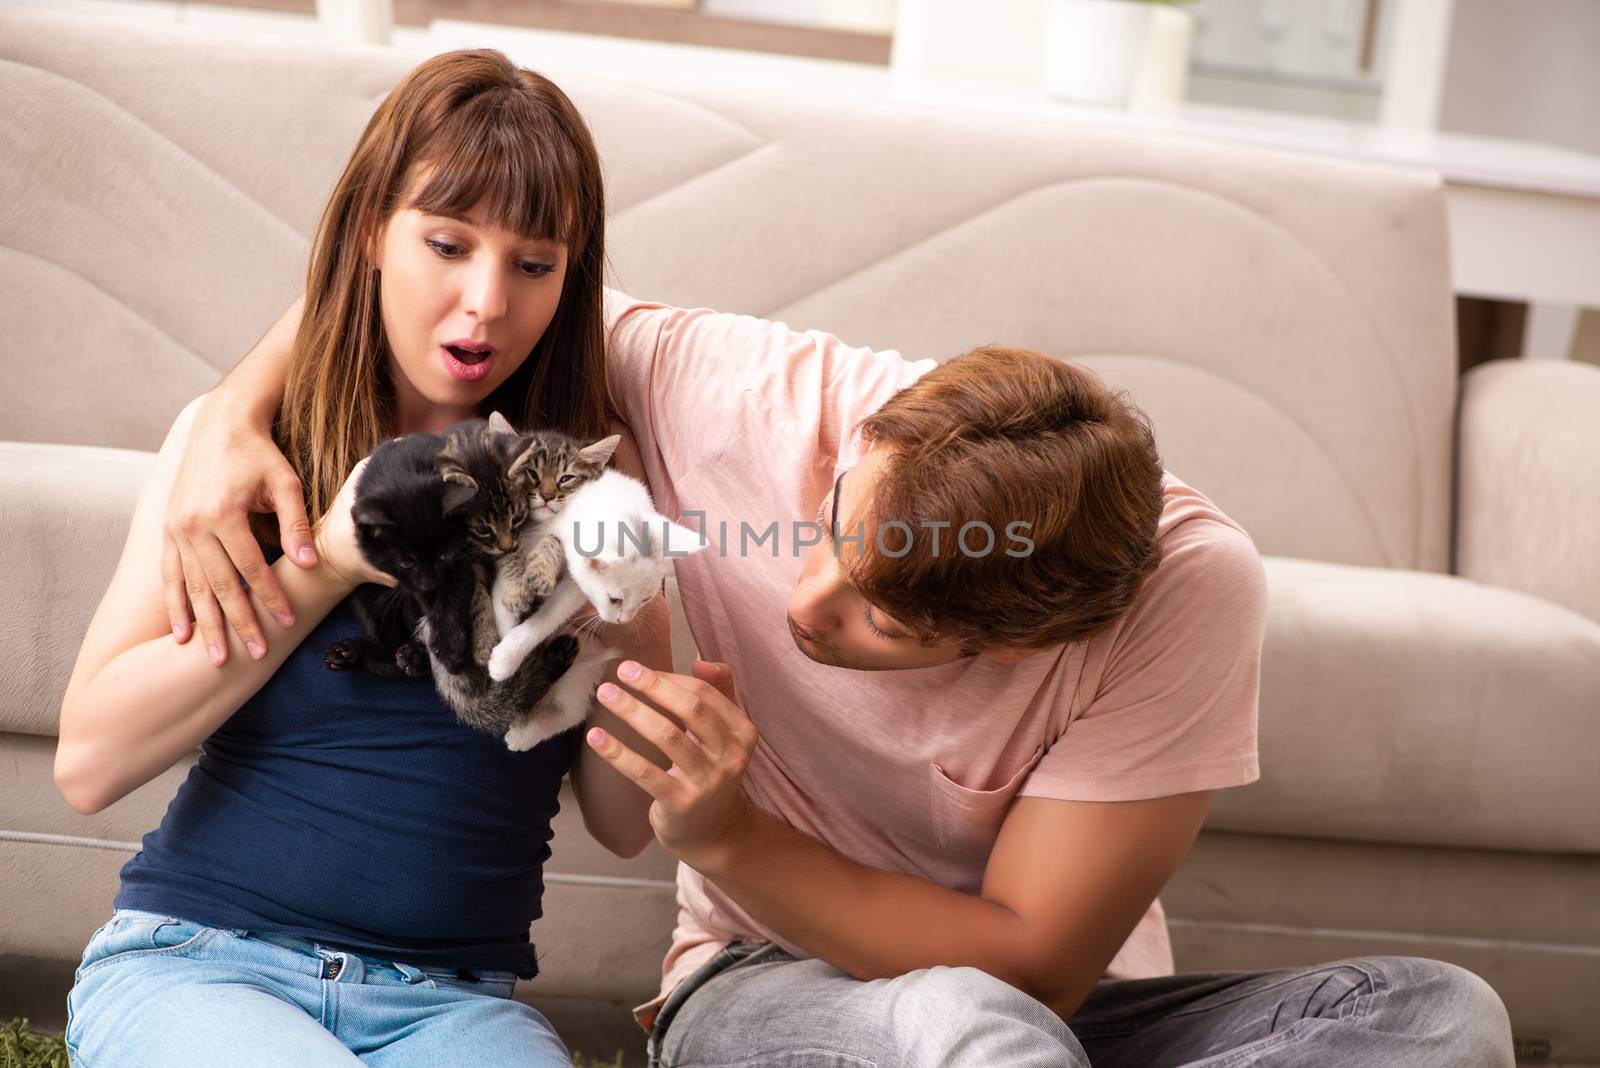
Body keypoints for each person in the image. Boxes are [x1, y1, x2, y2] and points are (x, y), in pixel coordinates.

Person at [160, 126, 1517, 1068]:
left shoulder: (1187, 595)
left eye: (889, 625)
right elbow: (463, 291)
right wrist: (233, 411)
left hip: (1054, 1011)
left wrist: (731, 830)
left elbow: (1030, 964)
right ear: (876, 433)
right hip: (772, 993)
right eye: (831, 537)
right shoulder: (745, 394)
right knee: (976, 1044)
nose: (814, 605)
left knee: (1439, 1019)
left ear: (1017, 638)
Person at [53, 49, 672, 1067]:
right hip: (206, 961)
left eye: (533, 264)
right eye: (445, 243)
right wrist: (331, 561)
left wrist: (629, 628)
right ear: (371, 236)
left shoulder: (590, 473)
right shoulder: (247, 456)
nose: (485, 302)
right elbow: (89, 763)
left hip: (458, 1006)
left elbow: (623, 823)